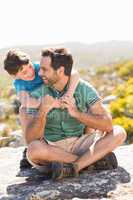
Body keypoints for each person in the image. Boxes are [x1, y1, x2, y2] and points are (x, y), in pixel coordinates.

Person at [19, 47, 127, 180]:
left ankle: (75, 166)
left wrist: (77, 114)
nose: (39, 73)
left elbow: (107, 125)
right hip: (52, 150)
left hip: (81, 143)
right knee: (34, 149)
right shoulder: (37, 94)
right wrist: (42, 111)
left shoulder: (84, 89)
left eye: (45, 69)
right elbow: (30, 140)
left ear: (60, 70)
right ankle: (92, 161)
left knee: (119, 132)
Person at [4, 49, 80, 169]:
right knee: (23, 110)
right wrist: (49, 104)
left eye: (29, 66)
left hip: (61, 98)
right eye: (24, 72)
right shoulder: (19, 83)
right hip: (46, 103)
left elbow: (74, 73)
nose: (30, 72)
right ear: (16, 76)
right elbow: (27, 102)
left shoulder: (40, 67)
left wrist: (69, 93)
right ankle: (30, 146)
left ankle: (83, 141)